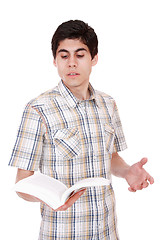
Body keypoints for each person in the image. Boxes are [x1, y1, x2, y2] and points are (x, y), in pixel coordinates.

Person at [9, 20, 154, 240]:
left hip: (107, 231)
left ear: (94, 58)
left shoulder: (108, 104)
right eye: (64, 55)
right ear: (55, 61)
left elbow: (111, 157)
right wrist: (50, 198)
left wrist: (127, 172)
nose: (71, 63)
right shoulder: (37, 109)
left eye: (80, 54)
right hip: (62, 233)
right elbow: (21, 184)